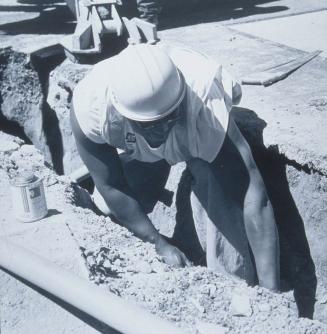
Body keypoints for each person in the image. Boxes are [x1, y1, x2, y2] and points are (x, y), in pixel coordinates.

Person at [71, 43, 280, 291]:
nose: (161, 129)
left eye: (167, 119)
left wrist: (271, 291)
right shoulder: (91, 107)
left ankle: (229, 284)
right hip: (137, 139)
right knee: (108, 212)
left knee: (220, 192)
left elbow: (253, 197)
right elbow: (111, 184)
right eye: (150, 124)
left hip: (193, 123)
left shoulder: (205, 106)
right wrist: (157, 243)